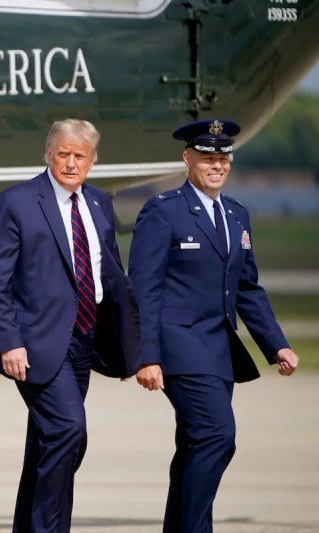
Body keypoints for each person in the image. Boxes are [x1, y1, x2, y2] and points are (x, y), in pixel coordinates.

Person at [0, 119, 141, 532]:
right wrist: (9, 341)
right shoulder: (18, 201)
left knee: (48, 445)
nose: (70, 163)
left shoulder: (98, 202)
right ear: (48, 154)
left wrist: (128, 348)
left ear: (93, 161)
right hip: (34, 345)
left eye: (79, 155)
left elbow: (112, 277)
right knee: (68, 430)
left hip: (84, 340)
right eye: (62, 153)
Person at [128, 118, 300, 532]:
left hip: (219, 351)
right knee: (218, 435)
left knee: (193, 445)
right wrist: (146, 355)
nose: (217, 165)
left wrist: (276, 344)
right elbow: (143, 289)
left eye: (223, 157)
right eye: (208, 157)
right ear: (188, 159)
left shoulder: (236, 215)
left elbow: (247, 289)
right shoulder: (163, 210)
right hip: (179, 347)